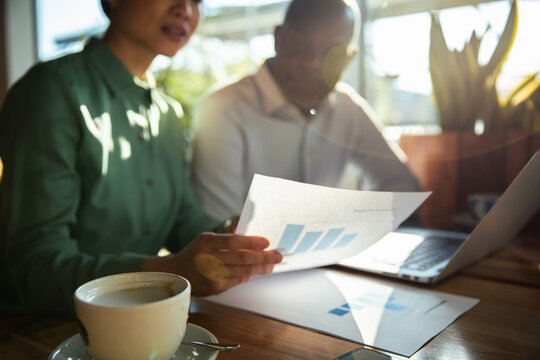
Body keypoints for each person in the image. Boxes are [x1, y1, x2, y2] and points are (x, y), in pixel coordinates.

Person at [0, 0, 282, 316]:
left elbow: (183, 220)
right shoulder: (52, 91)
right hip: (42, 331)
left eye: (198, 1)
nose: (185, 10)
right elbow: (35, 267)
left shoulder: (168, 115)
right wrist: (162, 272)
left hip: (144, 320)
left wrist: (236, 237)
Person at [191, 0, 420, 222]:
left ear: (349, 58)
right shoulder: (223, 108)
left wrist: (355, 225)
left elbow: (401, 187)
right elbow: (219, 228)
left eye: (333, 53)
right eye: (299, 44)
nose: (313, 62)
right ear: (278, 38)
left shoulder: (349, 108)